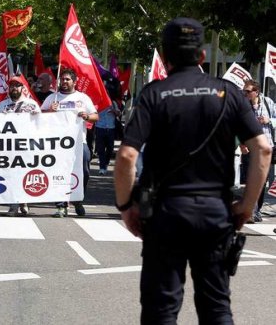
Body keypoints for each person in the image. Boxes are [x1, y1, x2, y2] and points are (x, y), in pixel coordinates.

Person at [114, 17, 271, 324]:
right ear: (201, 56)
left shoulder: (153, 94)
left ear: (165, 54)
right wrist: (247, 205)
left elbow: (127, 156)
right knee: (216, 308)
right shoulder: (228, 93)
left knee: (161, 309)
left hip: (165, 213)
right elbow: (263, 149)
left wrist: (126, 206)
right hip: (215, 213)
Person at [42, 68, 98, 217]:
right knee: (59, 173)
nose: (64, 82)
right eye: (62, 79)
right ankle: (61, 205)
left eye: (67, 79)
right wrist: (49, 112)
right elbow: (39, 118)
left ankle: (78, 199)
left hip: (80, 142)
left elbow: (95, 116)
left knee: (84, 170)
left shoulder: (83, 98)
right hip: (57, 144)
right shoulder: (52, 98)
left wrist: (87, 116)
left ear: (75, 81)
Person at [0, 76, 41, 216]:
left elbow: (42, 125)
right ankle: (14, 204)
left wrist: (37, 117)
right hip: (9, 147)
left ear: (23, 88)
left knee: (24, 174)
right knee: (11, 175)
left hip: (27, 146)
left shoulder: (32, 104)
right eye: (11, 86)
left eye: (17, 85)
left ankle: (23, 201)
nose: (14, 88)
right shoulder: (2, 105)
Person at [240, 79, 275, 223]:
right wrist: (242, 144)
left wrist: (269, 120)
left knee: (263, 181)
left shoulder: (268, 103)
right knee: (251, 180)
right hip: (250, 148)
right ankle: (251, 212)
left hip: (267, 148)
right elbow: (238, 125)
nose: (245, 93)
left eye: (248, 91)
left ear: (256, 92)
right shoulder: (242, 105)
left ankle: (257, 210)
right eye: (244, 90)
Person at [95, 100, 120, 176]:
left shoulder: (113, 103)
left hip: (110, 128)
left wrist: (114, 111)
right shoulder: (97, 103)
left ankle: (105, 163)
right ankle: (102, 168)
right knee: (101, 149)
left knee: (110, 148)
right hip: (100, 128)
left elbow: (119, 113)